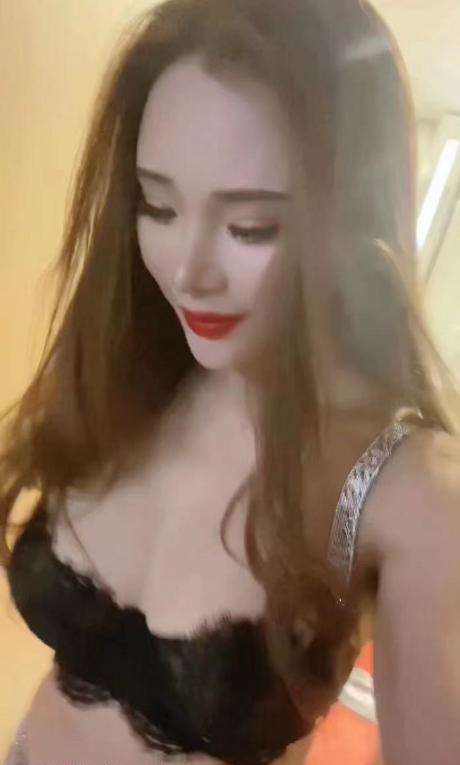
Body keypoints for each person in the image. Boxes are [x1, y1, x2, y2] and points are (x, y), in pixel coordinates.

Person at [1, 1, 460, 764]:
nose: (187, 271)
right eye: (158, 206)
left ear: (350, 224)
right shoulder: (139, 368)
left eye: (250, 226)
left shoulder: (410, 494)